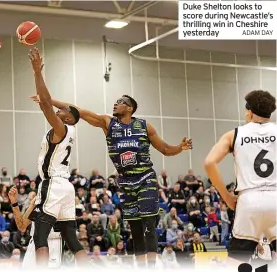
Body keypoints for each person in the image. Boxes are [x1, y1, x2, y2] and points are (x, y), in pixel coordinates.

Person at [31, 92, 192, 268]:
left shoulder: (144, 126)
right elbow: (79, 112)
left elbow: (166, 149)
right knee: (135, 229)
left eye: (120, 102)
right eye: (115, 102)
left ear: (130, 108)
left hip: (145, 177)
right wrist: (49, 100)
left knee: (148, 225)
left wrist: (180, 148)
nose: (115, 104)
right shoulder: (108, 123)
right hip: (125, 181)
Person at [26, 48, 87, 268]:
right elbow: (49, 102)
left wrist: (36, 72)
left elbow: (45, 103)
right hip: (67, 188)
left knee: (40, 237)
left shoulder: (61, 127)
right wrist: (47, 99)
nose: (58, 110)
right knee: (72, 239)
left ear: (68, 117)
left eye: (62, 110)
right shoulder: (71, 131)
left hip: (52, 184)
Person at [204, 90, 277, 266]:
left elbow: (209, 163)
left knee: (236, 262)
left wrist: (227, 197)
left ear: (250, 112)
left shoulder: (234, 134)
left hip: (249, 200)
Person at [8, 186, 63, 268]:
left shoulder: (61, 204)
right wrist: (14, 203)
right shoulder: (36, 204)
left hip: (53, 242)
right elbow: (22, 227)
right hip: (34, 243)